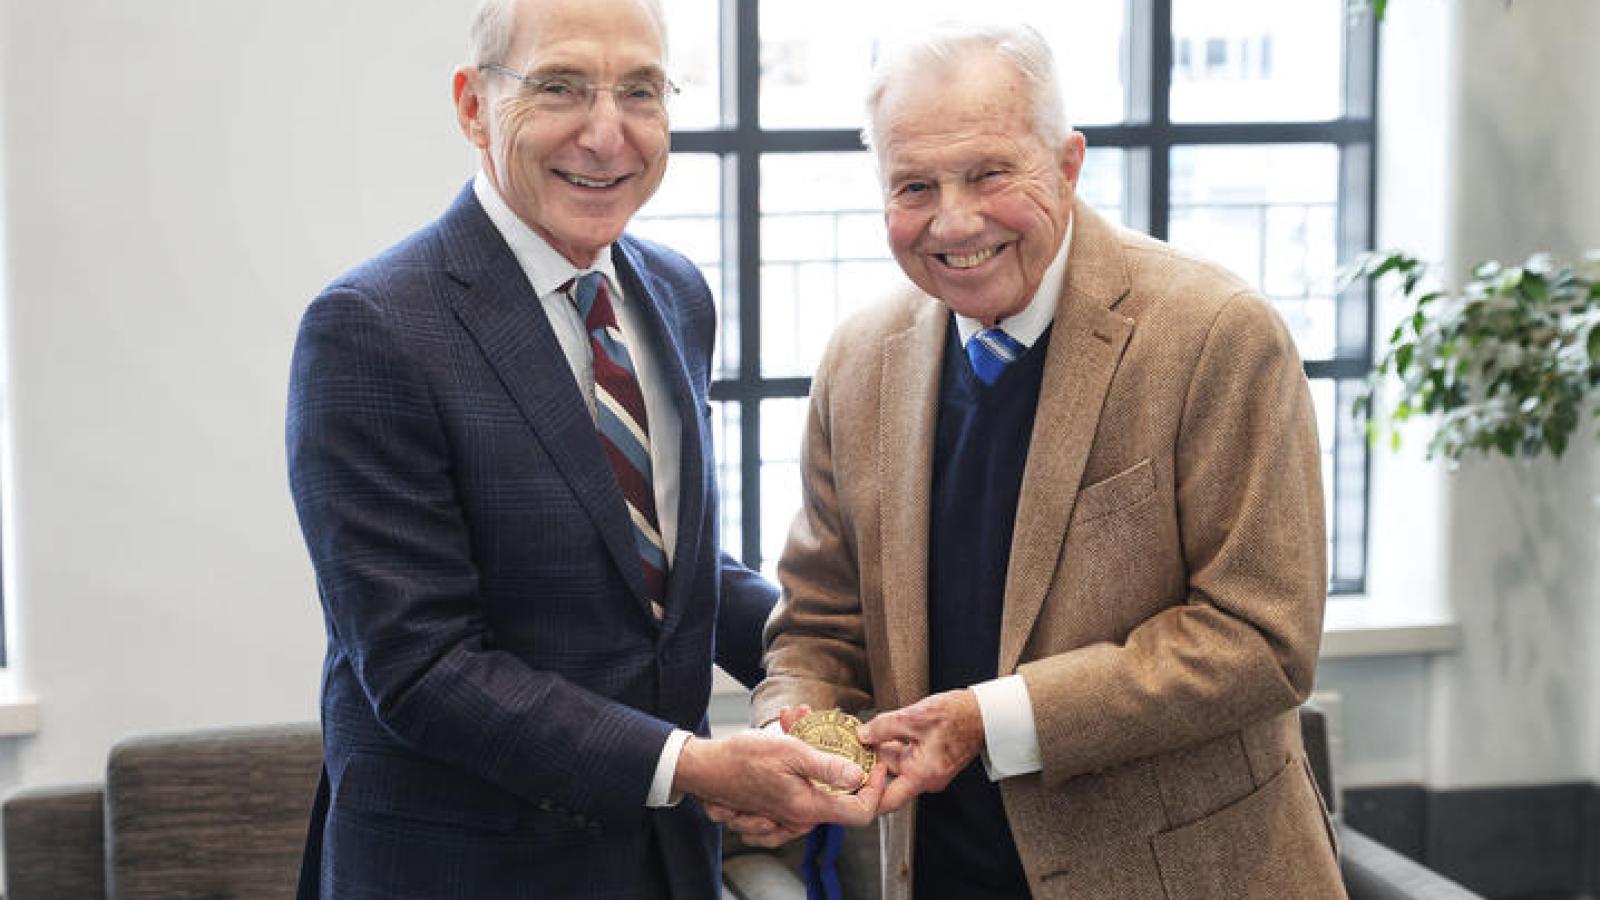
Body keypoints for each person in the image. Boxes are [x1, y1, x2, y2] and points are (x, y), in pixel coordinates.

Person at [285, 0, 879, 896]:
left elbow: (665, 574)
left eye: (641, 91)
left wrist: (827, 662)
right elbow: (421, 668)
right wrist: (695, 766)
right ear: (472, 106)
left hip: (663, 864)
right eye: (561, 87)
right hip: (465, 869)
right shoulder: (369, 329)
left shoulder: (675, 294)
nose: (608, 135)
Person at [749, 22, 1346, 900]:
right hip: (941, 873)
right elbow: (821, 622)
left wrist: (990, 721)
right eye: (914, 185)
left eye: (991, 173)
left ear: (1067, 165)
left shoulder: (1217, 333)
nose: (954, 220)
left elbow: (1260, 640)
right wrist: (789, 726)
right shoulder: (857, 359)